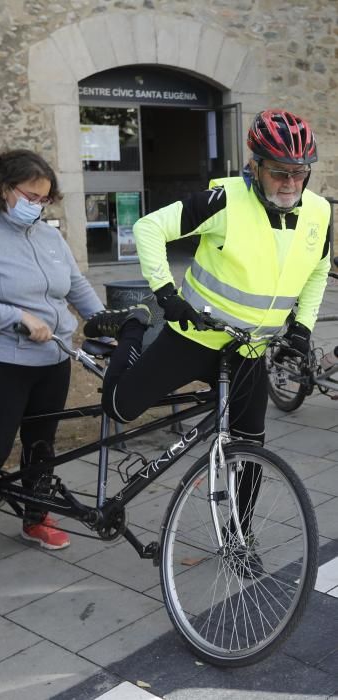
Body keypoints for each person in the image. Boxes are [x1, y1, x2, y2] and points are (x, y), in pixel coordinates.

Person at [84, 109, 330, 548]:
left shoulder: (318, 212)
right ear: (254, 167)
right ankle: (134, 327)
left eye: (299, 172)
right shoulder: (224, 201)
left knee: (250, 448)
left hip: (250, 348)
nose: (290, 182)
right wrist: (165, 295)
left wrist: (302, 329)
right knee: (120, 407)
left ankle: (238, 537)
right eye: (278, 172)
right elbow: (148, 228)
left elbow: (318, 269)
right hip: (194, 335)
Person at [0, 149, 104, 588]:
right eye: (31, 195)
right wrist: (17, 316)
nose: (38, 204)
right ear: (4, 190)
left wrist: (107, 322)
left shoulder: (49, 237)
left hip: (51, 361)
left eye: (45, 198)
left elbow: (75, 285)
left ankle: (35, 517)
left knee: (41, 446)